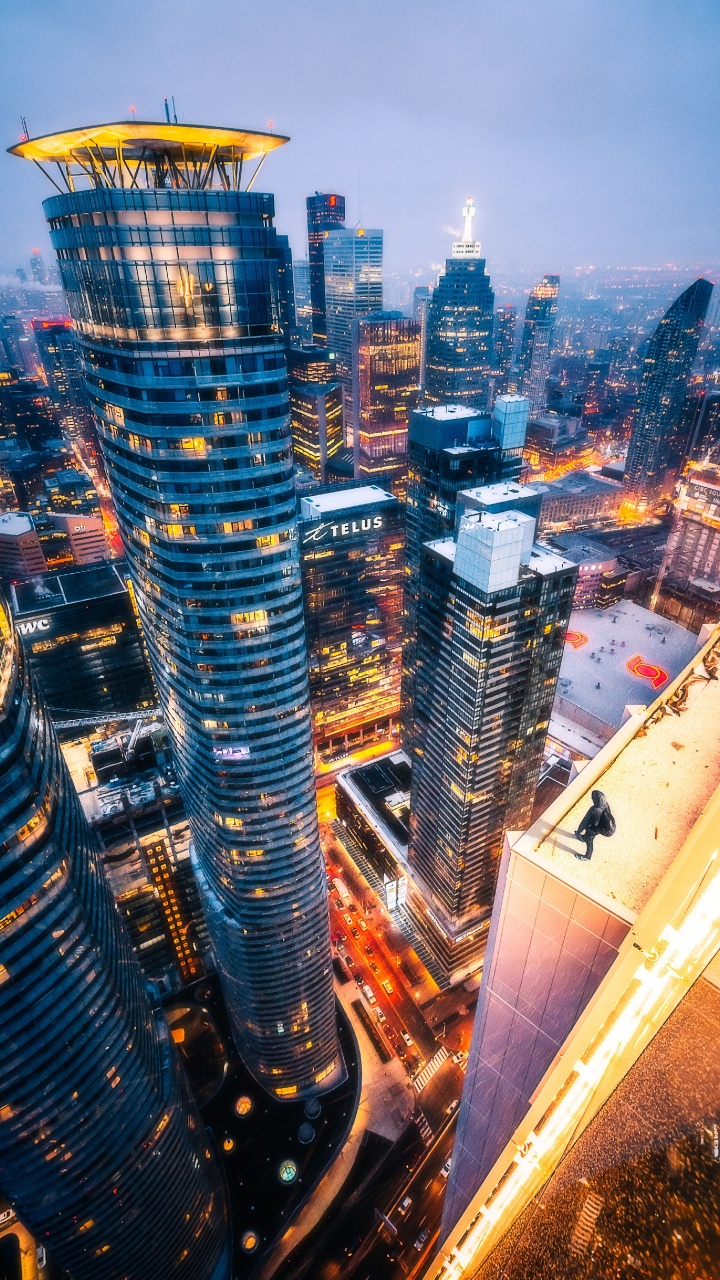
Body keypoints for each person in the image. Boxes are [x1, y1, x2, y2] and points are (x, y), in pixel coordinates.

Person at [574, 790, 615, 860]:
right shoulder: (606, 804)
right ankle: (583, 837)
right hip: (601, 828)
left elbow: (584, 822)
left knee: (589, 840)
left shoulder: (594, 810)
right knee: (589, 837)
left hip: (594, 828)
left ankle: (587, 856)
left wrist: (578, 831)